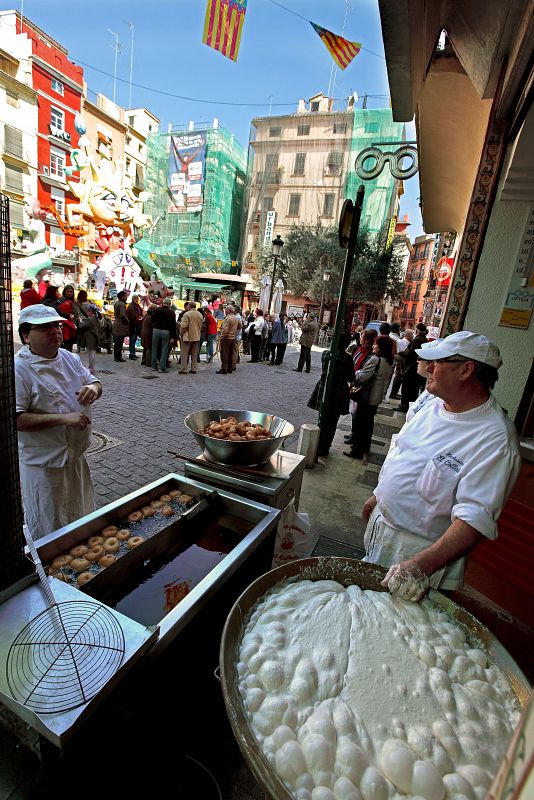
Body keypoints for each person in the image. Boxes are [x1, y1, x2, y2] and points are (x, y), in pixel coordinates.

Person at [362, 330, 521, 602]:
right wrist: (378, 496)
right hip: (383, 532)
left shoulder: (495, 439)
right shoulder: (432, 403)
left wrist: (420, 567)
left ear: (466, 370)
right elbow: (405, 452)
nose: (429, 369)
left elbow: (473, 520)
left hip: (422, 555)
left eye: (439, 362)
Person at [14, 304, 102, 540]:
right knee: (50, 528)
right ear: (26, 335)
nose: (54, 331)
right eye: (44, 328)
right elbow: (17, 419)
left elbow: (96, 383)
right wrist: (64, 419)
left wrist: (93, 388)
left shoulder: (69, 358)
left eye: (56, 325)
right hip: (45, 466)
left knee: (80, 518)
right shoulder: (19, 369)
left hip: (75, 459)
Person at [344, 334, 394, 459]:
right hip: (375, 397)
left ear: (381, 347)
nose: (373, 345)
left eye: (376, 344)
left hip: (367, 396)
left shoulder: (375, 359)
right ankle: (365, 448)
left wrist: (357, 372)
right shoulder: (388, 360)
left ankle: (357, 451)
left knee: (361, 424)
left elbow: (362, 377)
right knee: (368, 424)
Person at [308, 333, 355, 457]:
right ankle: (325, 447)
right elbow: (351, 377)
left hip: (324, 388)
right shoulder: (347, 358)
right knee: (332, 421)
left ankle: (318, 445)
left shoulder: (326, 353)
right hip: (338, 391)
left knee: (322, 418)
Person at [398, 323, 428, 411]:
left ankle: (404, 406)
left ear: (417, 330)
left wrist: (401, 353)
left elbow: (410, 354)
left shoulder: (417, 340)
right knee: (414, 388)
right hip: (417, 367)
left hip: (411, 368)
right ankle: (409, 406)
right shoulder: (425, 339)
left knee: (407, 387)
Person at [388, 327, 413, 400]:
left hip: (402, 362)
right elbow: (401, 352)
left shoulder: (407, 342)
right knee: (398, 377)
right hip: (401, 362)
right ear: (407, 335)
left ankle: (394, 393)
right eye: (411, 334)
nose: (412, 336)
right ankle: (393, 394)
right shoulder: (404, 342)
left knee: (399, 378)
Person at [151, 297, 176, 373]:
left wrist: (154, 327)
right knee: (164, 349)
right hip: (166, 331)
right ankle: (162, 367)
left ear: (163, 303)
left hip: (156, 330)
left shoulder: (156, 310)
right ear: (170, 305)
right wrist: (173, 336)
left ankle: (154, 366)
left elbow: (152, 320)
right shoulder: (171, 313)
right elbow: (173, 325)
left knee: (154, 348)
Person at [179, 301, 203, 374]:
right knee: (194, 354)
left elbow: (183, 326)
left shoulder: (187, 314)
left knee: (184, 354)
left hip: (187, 336)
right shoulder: (200, 315)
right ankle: (193, 369)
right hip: (196, 336)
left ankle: (184, 369)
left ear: (189, 306)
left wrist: (181, 334)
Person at [217, 305, 240, 374]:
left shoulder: (228, 318)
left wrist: (222, 337)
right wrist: (234, 330)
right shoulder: (236, 318)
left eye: (226, 310)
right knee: (230, 354)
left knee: (224, 354)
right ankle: (230, 368)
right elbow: (240, 326)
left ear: (228, 311)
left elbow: (225, 330)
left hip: (227, 338)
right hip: (233, 338)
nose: (225, 311)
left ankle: (224, 368)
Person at [112, 290, 129, 362]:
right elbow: (123, 315)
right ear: (122, 296)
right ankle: (118, 356)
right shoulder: (122, 304)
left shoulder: (117, 303)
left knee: (117, 341)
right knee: (119, 340)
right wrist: (127, 321)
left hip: (117, 323)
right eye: (125, 296)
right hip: (120, 324)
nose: (126, 297)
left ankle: (116, 356)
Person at [126, 294, 143, 360]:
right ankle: (132, 354)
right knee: (132, 340)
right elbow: (131, 316)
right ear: (133, 299)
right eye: (136, 298)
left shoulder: (137, 306)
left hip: (136, 325)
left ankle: (133, 353)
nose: (137, 300)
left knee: (134, 340)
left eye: (138, 299)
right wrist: (137, 318)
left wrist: (140, 316)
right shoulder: (131, 306)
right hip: (132, 325)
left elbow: (140, 313)